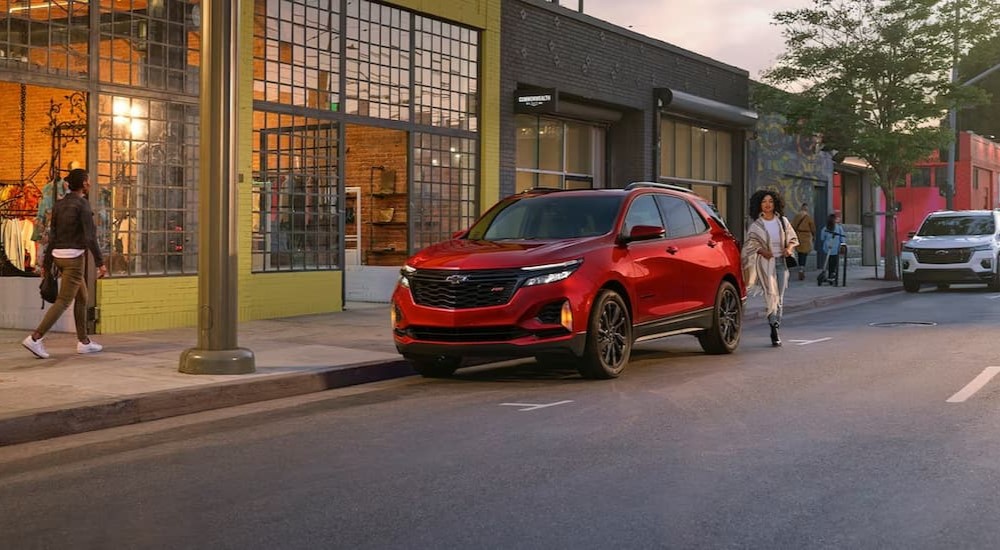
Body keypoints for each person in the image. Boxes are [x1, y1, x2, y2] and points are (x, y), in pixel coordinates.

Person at [22, 168, 108, 359]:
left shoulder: (59, 205)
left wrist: (47, 263)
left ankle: (84, 341)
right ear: (85, 184)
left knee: (83, 296)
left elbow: (52, 235)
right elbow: (90, 237)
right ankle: (35, 338)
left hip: (58, 256)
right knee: (63, 301)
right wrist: (100, 263)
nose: (91, 182)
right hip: (73, 259)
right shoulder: (83, 205)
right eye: (89, 180)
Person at [741, 189, 799, 347]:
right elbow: (749, 245)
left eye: (770, 201)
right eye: (764, 202)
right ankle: (774, 329)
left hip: (781, 263)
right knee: (771, 295)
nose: (767, 205)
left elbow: (793, 239)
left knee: (779, 298)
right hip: (765, 264)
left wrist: (789, 249)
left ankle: (776, 324)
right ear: (759, 205)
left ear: (775, 204)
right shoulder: (756, 225)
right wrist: (762, 251)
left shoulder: (783, 221)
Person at [818, 213, 847, 286]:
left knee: (829, 262)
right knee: (834, 263)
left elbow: (822, 238)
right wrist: (843, 244)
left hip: (827, 248)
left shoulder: (825, 228)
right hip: (835, 248)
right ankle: (832, 274)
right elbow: (842, 238)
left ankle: (830, 274)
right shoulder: (839, 227)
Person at [790, 202, 815, 281]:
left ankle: (800, 267)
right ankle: (802, 268)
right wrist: (814, 236)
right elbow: (813, 228)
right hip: (806, 237)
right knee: (804, 253)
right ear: (806, 209)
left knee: (799, 252)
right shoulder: (808, 217)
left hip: (798, 235)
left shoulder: (797, 216)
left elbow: (792, 226)